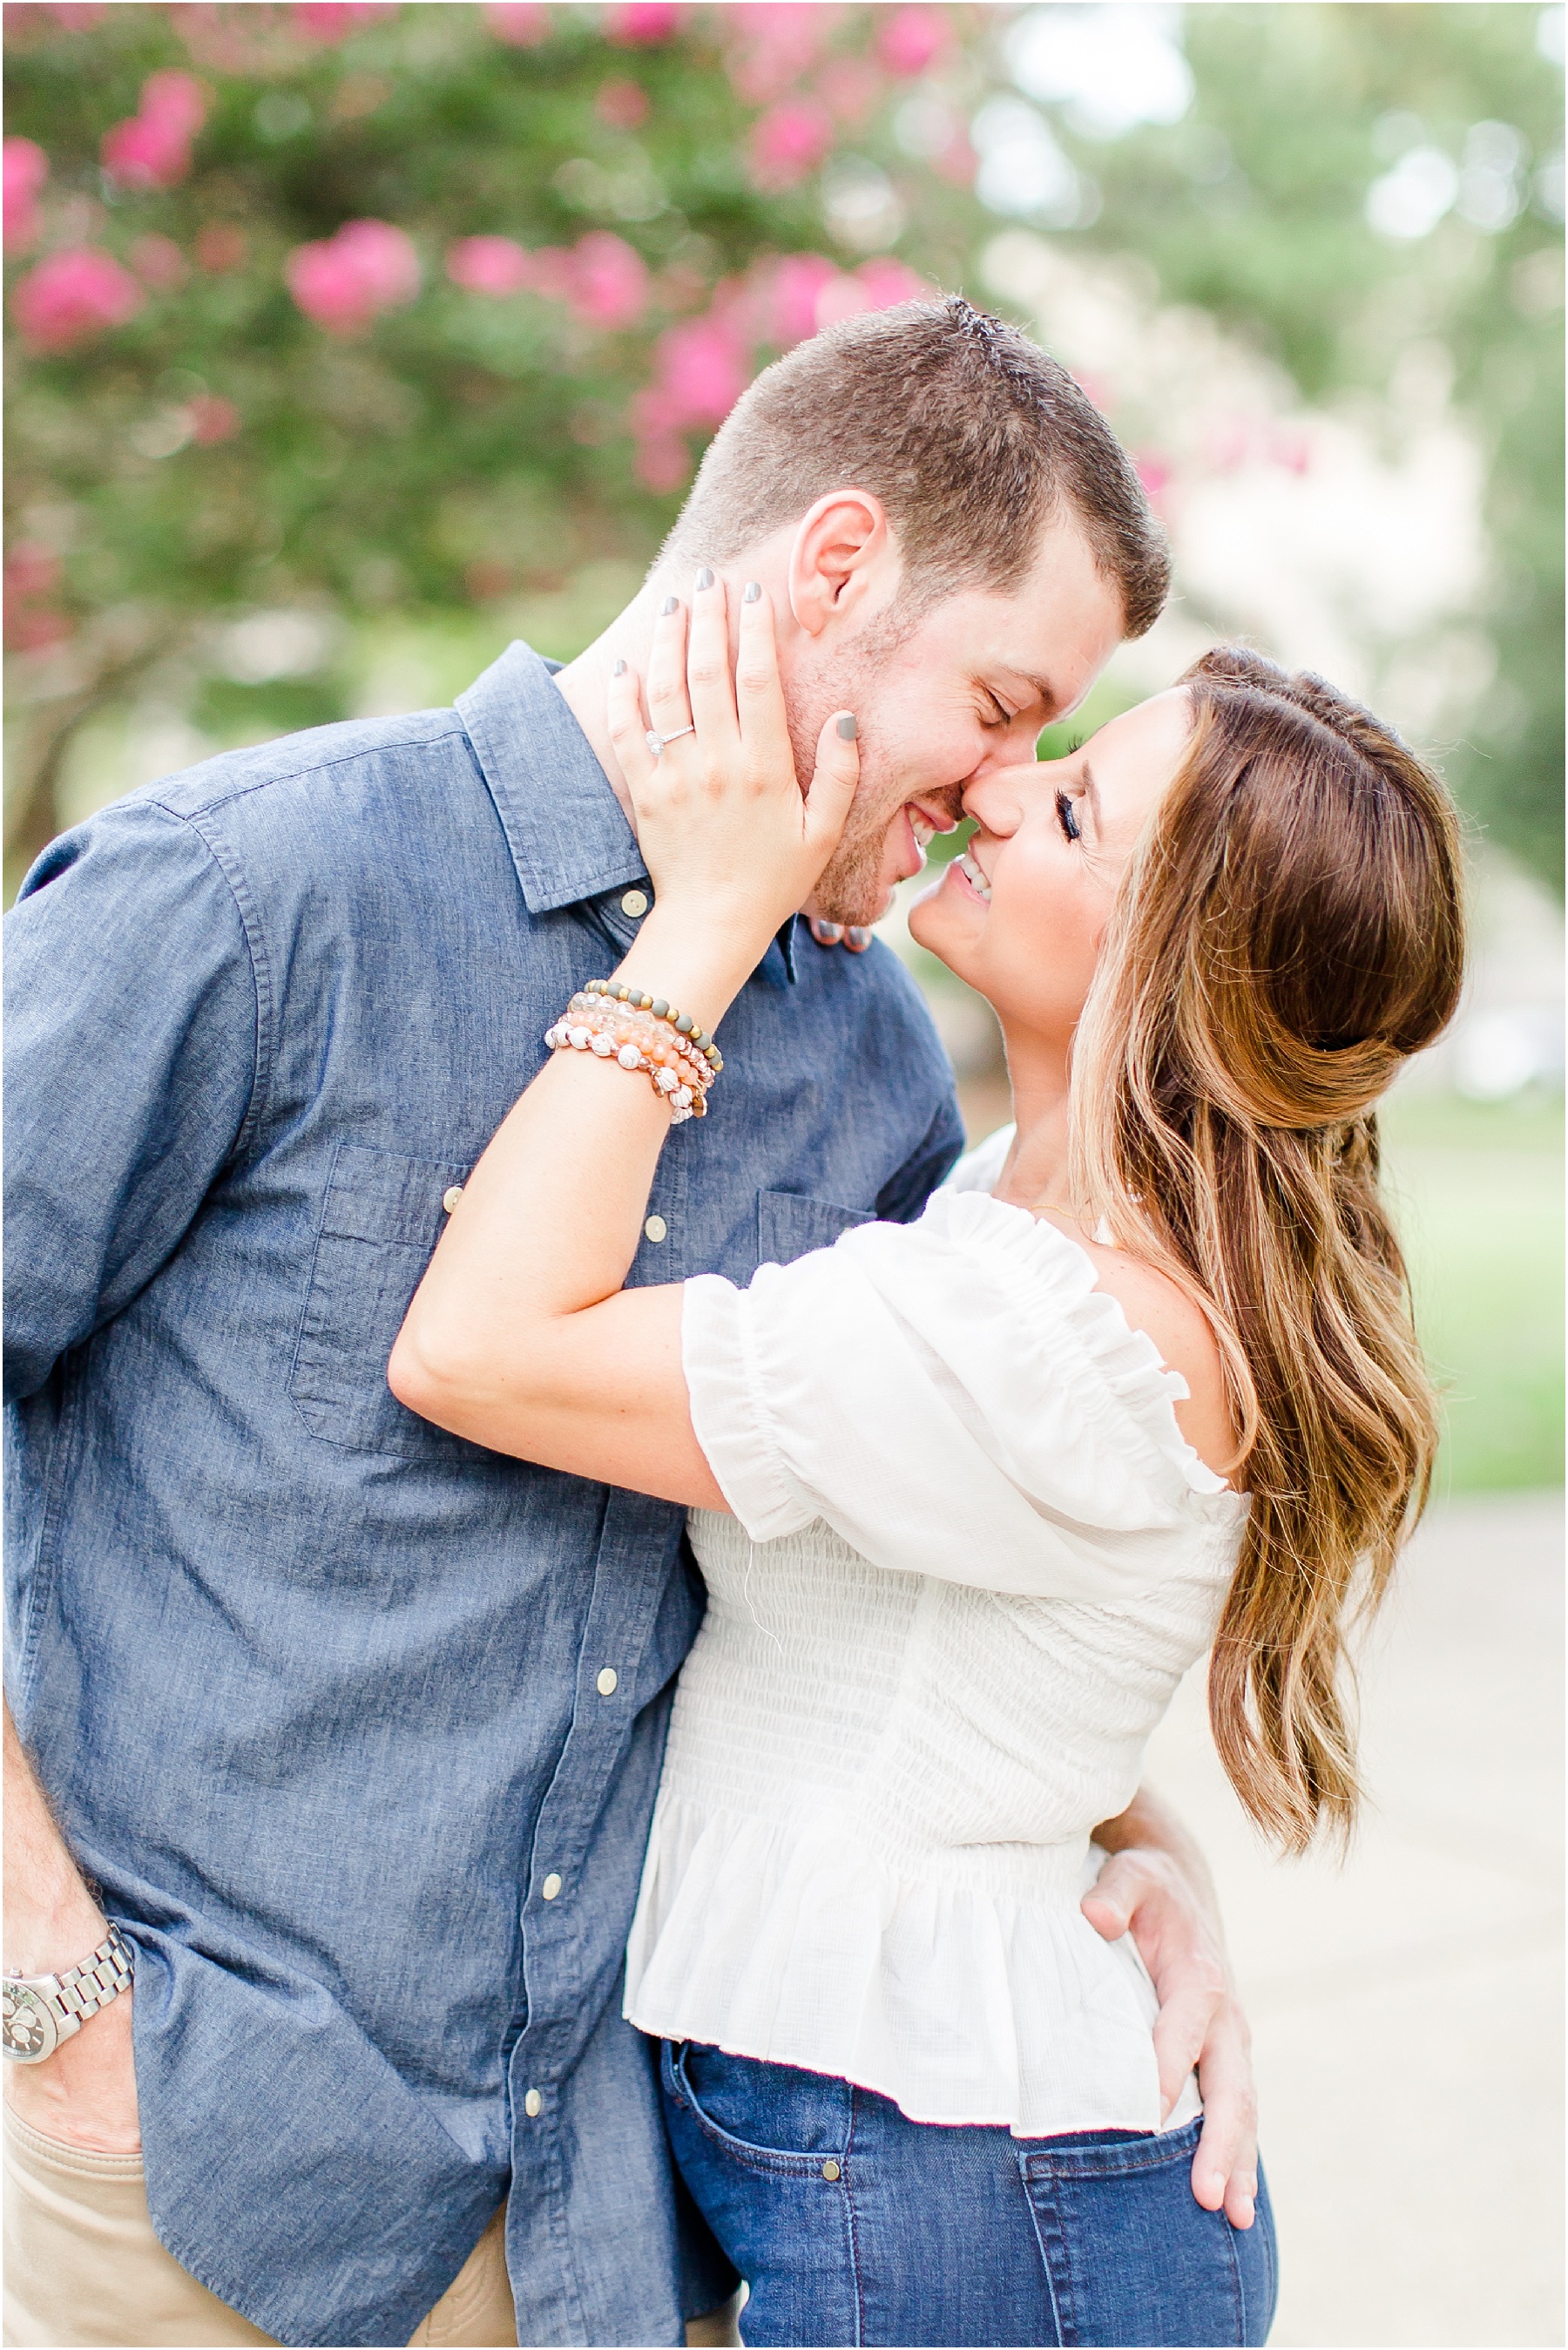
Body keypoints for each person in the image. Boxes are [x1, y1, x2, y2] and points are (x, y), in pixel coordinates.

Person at [5, 299, 1254, 2350]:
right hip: (214, 2166)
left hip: (638, 2207)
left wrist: (1149, 1866)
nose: (993, 797)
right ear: (834, 567)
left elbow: (895, 1549)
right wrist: (51, 1996)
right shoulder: (244, 892)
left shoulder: (865, 1050)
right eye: (1002, 703)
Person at [389, 582, 1465, 2347]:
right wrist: (1156, 1857)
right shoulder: (1006, 1208)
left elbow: (475, 1347)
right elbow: (988, 1671)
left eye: (1067, 808)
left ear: (1166, 964)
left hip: (976, 2199)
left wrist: (707, 921)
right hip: (921, 2161)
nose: (991, 791)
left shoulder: (1047, 1334)